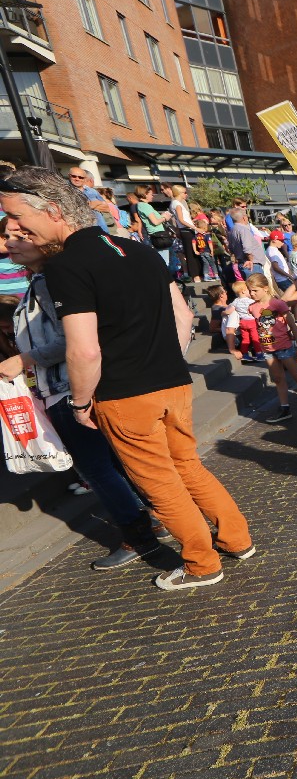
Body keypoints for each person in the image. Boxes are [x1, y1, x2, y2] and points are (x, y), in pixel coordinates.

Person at [1, 166, 254, 590]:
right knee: (187, 467)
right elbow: (182, 314)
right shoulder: (137, 250)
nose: (17, 228)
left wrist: (81, 402)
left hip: (124, 392)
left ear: (53, 211)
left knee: (159, 484)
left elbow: (83, 348)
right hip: (172, 381)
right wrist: (167, 361)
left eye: (18, 217)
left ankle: (201, 564)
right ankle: (237, 539)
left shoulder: (67, 266)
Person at [0, 216, 166, 571]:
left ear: (43, 241)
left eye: (21, 235)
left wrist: (23, 359)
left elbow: (72, 340)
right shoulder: (40, 281)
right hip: (65, 386)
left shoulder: (49, 281)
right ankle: (156, 519)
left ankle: (139, 535)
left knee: (97, 469)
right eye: (8, 236)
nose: (11, 242)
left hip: (67, 388)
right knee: (114, 464)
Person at [244, 274, 297, 424]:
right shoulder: (252, 307)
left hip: (284, 347)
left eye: (255, 290)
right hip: (267, 349)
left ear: (265, 288)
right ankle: (285, 408)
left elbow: (292, 325)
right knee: (278, 379)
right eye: (249, 290)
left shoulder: (277, 304)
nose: (251, 294)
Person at [135, 185, 174, 267]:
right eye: (151, 194)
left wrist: (162, 216)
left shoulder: (141, 205)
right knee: (164, 260)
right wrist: (164, 218)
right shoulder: (145, 206)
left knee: (163, 258)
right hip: (159, 234)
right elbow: (155, 222)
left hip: (156, 234)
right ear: (145, 194)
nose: (152, 196)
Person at [169, 185, 197, 281]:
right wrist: (195, 227)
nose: (186, 195)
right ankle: (195, 275)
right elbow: (181, 220)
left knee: (191, 252)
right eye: (185, 193)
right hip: (186, 230)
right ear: (179, 193)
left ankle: (195, 275)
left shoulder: (175, 203)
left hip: (185, 230)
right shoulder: (177, 204)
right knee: (191, 253)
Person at [227, 208, 265, 276]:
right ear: (244, 218)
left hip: (242, 262)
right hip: (251, 265)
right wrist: (251, 260)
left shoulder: (232, 231)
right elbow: (247, 248)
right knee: (257, 282)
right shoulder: (243, 230)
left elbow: (231, 248)